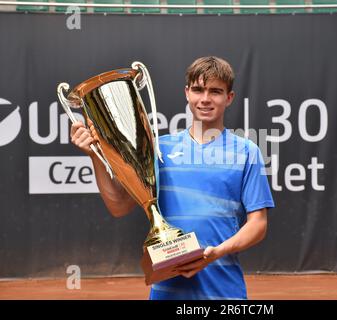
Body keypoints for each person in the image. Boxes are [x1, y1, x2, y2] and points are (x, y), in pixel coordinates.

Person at [70, 56, 275, 300]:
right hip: (168, 293)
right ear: (187, 93)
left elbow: (258, 225)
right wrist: (95, 156)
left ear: (229, 98)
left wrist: (216, 253)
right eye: (198, 90)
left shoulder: (247, 151)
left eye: (216, 91)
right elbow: (119, 206)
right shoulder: (158, 149)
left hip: (225, 293)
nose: (205, 99)